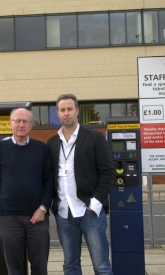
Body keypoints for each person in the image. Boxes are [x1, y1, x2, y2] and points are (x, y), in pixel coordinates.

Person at [47, 94, 115, 275]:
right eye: (62, 110)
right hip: (63, 213)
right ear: (58, 113)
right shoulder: (52, 142)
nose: (66, 113)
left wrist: (96, 203)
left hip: (89, 211)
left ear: (77, 111)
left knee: (101, 266)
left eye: (70, 109)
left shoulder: (94, 138)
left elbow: (108, 172)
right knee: (70, 265)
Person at [0, 107, 54, 275]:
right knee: (14, 269)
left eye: (25, 121)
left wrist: (43, 208)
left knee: (40, 268)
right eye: (17, 121)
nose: (21, 124)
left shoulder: (41, 149)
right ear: (10, 124)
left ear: (31, 125)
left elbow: (49, 181)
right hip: (8, 218)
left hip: (37, 217)